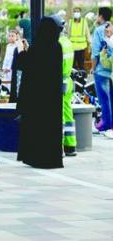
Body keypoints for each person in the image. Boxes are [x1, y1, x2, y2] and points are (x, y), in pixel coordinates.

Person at [17, 17, 64, 169]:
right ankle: (51, 158)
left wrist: (22, 51)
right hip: (52, 97)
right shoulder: (57, 47)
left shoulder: (38, 47)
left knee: (36, 128)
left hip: (36, 98)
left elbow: (28, 65)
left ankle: (36, 156)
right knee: (50, 129)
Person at [55, 16, 77, 156]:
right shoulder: (67, 42)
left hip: (58, 81)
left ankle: (59, 147)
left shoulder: (57, 44)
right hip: (68, 81)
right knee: (68, 113)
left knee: (58, 115)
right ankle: (70, 145)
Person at [91, 7, 113, 135]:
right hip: (111, 69)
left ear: (100, 16)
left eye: (97, 15)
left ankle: (105, 125)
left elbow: (95, 53)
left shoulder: (99, 30)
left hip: (101, 69)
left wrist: (93, 68)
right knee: (110, 97)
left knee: (104, 98)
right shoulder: (111, 28)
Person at [68, 7, 91, 71]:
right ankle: (73, 79)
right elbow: (68, 35)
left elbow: (87, 33)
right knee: (72, 66)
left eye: (78, 12)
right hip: (72, 48)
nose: (76, 13)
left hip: (81, 48)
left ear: (80, 13)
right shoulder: (70, 22)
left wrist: (89, 45)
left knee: (81, 66)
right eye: (75, 12)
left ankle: (82, 79)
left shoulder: (84, 22)